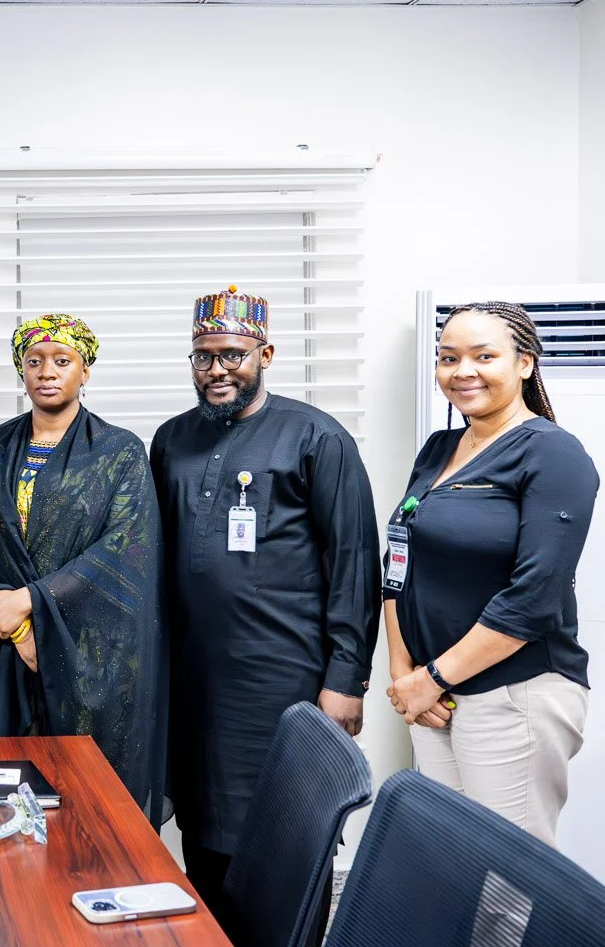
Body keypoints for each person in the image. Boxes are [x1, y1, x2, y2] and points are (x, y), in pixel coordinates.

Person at [149, 286, 381, 926]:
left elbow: (355, 560)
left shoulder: (316, 437)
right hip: (196, 686)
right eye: (202, 357)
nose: (216, 369)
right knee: (203, 843)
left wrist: (346, 680)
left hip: (286, 681)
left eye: (231, 354)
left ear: (265, 353)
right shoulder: (171, 440)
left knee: (287, 849)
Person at [385, 302, 595, 846]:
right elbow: (399, 560)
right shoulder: (439, 449)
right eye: (449, 357)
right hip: (435, 696)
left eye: (484, 356)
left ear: (525, 363)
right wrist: (405, 673)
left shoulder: (553, 453)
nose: (463, 371)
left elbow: (534, 598)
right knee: (452, 866)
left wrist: (430, 680)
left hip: (512, 694)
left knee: (506, 886)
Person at [0, 314, 168, 827]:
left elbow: (123, 552)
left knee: (87, 810)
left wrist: (29, 604)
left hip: (93, 656)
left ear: (85, 371)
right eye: (34, 361)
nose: (47, 372)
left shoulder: (119, 452)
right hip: (4, 650)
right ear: (20, 371)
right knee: (6, 795)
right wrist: (17, 625)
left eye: (62, 361)